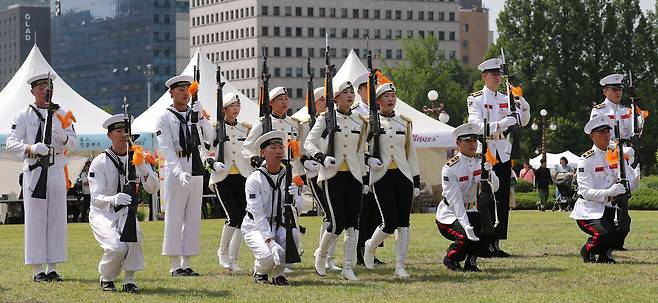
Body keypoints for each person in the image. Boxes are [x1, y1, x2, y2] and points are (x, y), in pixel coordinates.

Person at [5, 72, 78, 282]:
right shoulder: (23, 115)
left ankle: (53, 267)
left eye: (49, 87)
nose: (45, 90)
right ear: (33, 91)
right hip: (35, 168)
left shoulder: (61, 114)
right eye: (41, 87)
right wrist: (30, 147)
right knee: (36, 219)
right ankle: (38, 269)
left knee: (56, 218)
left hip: (56, 168)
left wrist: (62, 136)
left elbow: (74, 142)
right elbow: (11, 144)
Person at [88, 114, 159, 293]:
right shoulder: (100, 162)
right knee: (116, 247)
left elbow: (153, 188)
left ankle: (129, 279)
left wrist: (143, 167)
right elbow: (96, 198)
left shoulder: (136, 156)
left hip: (126, 211)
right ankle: (106, 277)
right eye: (118, 131)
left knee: (134, 239)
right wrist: (113, 199)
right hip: (103, 212)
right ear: (109, 135)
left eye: (126, 131)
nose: (123, 135)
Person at [467, 58, 531, 257]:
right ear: (484, 76)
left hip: (503, 151)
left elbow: (524, 120)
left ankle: (496, 241)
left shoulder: (506, 97)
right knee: (486, 198)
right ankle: (484, 242)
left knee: (502, 198)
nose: (497, 77)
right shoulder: (475, 99)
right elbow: (476, 125)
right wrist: (503, 123)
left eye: (499, 74)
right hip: (485, 150)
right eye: (493, 74)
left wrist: (521, 101)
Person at [305, 80, 367, 280]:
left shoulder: (360, 121)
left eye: (352, 92)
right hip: (333, 175)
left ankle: (348, 267)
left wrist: (364, 178)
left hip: (354, 176)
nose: (350, 95)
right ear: (336, 97)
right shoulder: (325, 118)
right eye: (345, 92)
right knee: (336, 221)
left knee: (353, 224)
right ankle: (321, 255)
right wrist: (321, 158)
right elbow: (309, 143)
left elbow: (360, 152)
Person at [156, 74, 213, 276]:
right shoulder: (165, 117)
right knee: (175, 215)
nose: (185, 94)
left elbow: (210, 139)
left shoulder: (194, 113)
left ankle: (187, 262)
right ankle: (174, 265)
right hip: (176, 165)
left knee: (192, 217)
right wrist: (178, 171)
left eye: (187, 90)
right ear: (171, 93)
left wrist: (202, 120)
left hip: (195, 164)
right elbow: (167, 148)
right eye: (180, 90)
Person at [361, 83, 421, 278]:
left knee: (404, 223)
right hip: (381, 176)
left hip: (403, 176)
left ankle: (400, 266)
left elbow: (410, 152)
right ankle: (370, 245)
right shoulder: (369, 122)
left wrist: (416, 180)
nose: (391, 99)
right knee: (389, 222)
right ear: (378, 101)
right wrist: (368, 159)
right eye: (386, 96)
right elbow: (359, 148)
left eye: (393, 96)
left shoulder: (404, 122)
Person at [569, 116, 638, 263]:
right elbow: (586, 192)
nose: (607, 135)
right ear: (592, 136)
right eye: (602, 132)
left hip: (611, 207)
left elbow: (629, 180)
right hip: (590, 210)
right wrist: (609, 192)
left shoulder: (617, 153)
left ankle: (605, 255)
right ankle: (588, 250)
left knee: (621, 230)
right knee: (605, 233)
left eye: (608, 131)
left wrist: (632, 181)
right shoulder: (586, 160)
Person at [242, 130, 304, 286]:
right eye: (273, 148)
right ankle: (260, 271)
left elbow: (299, 211)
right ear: (263, 152)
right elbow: (258, 214)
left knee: (294, 238)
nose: (278, 151)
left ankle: (278, 274)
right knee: (268, 257)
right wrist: (270, 241)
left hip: (279, 223)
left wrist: (296, 196)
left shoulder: (289, 176)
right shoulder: (254, 180)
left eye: (280, 148)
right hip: (255, 226)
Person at [589, 74, 642, 250]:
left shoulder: (626, 110)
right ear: (606, 91)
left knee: (625, 192)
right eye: (614, 89)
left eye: (620, 89)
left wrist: (639, 124)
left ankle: (619, 237)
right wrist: (619, 148)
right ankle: (609, 235)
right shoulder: (599, 110)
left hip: (626, 154)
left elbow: (633, 131)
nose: (618, 92)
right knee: (610, 193)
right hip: (608, 155)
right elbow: (600, 136)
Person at [437, 123, 499, 271]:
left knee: (487, 231)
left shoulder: (480, 160)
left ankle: (471, 262)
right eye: (467, 141)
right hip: (450, 214)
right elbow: (455, 201)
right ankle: (451, 259)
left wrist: (491, 173)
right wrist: (465, 225)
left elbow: (495, 188)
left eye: (474, 140)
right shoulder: (450, 168)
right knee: (466, 236)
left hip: (471, 209)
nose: (472, 144)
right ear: (458, 143)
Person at [208, 92, 253, 272]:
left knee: (243, 219)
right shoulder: (215, 128)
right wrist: (211, 163)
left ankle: (233, 258)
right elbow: (206, 150)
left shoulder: (245, 128)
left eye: (238, 105)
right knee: (233, 216)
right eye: (232, 106)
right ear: (224, 109)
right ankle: (222, 251)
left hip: (242, 176)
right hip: (222, 177)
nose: (236, 109)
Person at [297, 87, 341, 272]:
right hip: (315, 173)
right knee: (328, 214)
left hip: (331, 170)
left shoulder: (333, 120)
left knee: (336, 215)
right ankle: (322, 255)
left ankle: (329, 256)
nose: (325, 102)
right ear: (313, 103)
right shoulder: (304, 123)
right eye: (321, 100)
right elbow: (297, 146)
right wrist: (306, 161)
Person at [351, 72, 385, 266]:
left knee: (376, 212)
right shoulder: (356, 113)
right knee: (362, 212)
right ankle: (359, 252)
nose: (372, 92)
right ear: (360, 91)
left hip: (380, 167)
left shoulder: (381, 112)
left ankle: (370, 250)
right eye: (368, 88)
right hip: (363, 167)